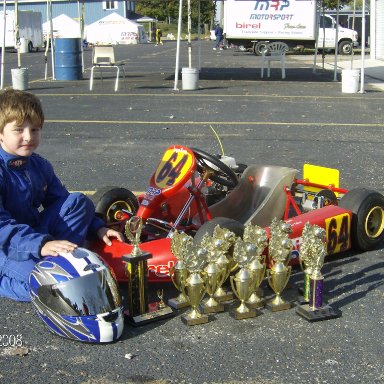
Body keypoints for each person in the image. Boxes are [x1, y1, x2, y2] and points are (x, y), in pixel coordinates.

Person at [0, 89, 124, 302]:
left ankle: (56, 259)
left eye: (35, 129)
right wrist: (41, 245)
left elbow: (62, 201)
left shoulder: (38, 164)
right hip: (6, 246)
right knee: (44, 286)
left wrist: (98, 228)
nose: (28, 137)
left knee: (79, 202)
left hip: (34, 235)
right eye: (19, 130)